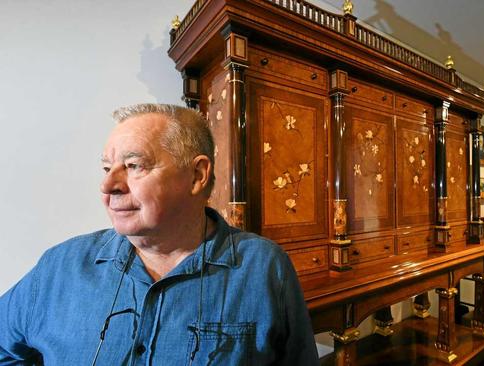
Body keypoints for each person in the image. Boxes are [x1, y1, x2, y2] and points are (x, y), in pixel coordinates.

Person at [0, 104, 319, 365]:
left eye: (134, 165)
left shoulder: (264, 268)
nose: (108, 186)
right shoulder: (59, 266)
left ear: (197, 175)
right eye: (106, 168)